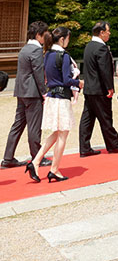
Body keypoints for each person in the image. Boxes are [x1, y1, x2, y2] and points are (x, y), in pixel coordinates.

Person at [26, 27, 82, 183]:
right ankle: (54, 169)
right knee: (63, 134)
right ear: (62, 39)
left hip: (52, 96)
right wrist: (80, 82)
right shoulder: (63, 55)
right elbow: (66, 80)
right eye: (68, 39)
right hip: (61, 98)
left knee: (57, 133)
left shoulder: (48, 54)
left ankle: (36, 162)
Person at [2, 20, 52, 169]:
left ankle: (8, 157)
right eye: (44, 35)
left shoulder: (24, 49)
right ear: (38, 35)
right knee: (34, 126)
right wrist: (44, 92)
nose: (45, 38)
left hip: (21, 91)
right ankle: (37, 156)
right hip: (32, 92)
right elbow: (38, 72)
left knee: (18, 125)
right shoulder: (36, 50)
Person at [78, 21, 118, 157]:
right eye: (108, 31)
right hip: (99, 89)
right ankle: (114, 144)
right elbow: (104, 70)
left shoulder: (89, 46)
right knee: (105, 117)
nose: (109, 33)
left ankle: (84, 147)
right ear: (101, 33)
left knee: (87, 118)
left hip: (89, 88)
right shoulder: (101, 48)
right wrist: (110, 87)